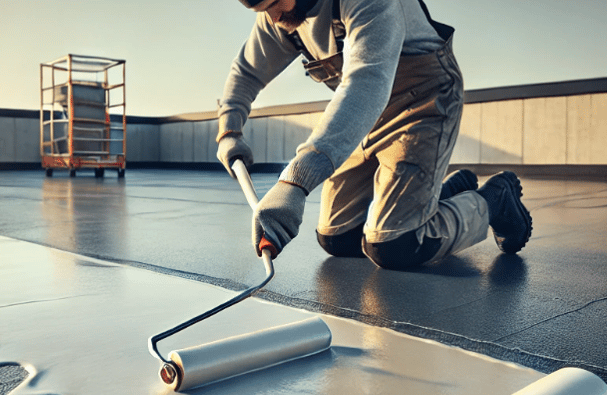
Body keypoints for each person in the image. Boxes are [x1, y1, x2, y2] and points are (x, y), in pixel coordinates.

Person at [216, 0, 532, 269]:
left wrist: (295, 183)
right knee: (337, 237)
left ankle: (494, 200)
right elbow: (247, 72)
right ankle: (438, 197)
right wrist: (229, 130)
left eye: (273, 4)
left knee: (394, 244)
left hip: (422, 101)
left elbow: (366, 83)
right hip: (364, 116)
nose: (273, 17)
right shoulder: (284, 16)